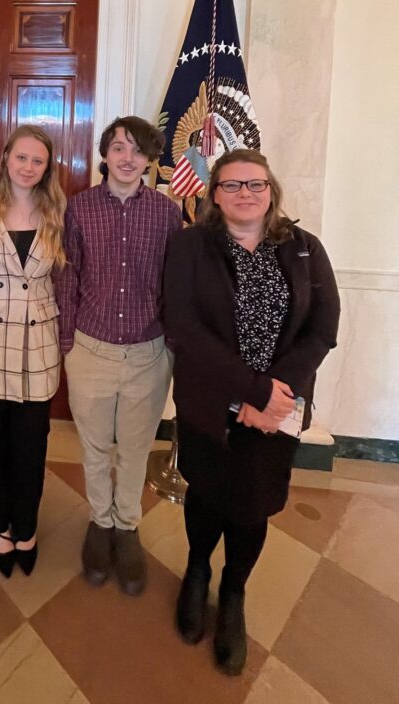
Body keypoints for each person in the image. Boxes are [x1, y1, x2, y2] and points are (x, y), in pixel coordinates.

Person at [163, 148, 340, 675]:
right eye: (233, 184)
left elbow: (322, 329)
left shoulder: (305, 249)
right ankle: (197, 572)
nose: (245, 193)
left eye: (255, 184)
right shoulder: (190, 246)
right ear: (214, 193)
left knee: (253, 504)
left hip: (279, 406)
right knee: (207, 490)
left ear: (271, 191)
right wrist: (249, 392)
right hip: (212, 401)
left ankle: (233, 594)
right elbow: (184, 327)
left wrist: (273, 395)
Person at [55, 116, 182, 595]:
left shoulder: (168, 214)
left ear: (150, 160)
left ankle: (127, 527)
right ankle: (99, 522)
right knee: (93, 448)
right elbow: (67, 277)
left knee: (134, 449)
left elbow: (174, 284)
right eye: (119, 148)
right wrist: (68, 343)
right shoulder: (79, 209)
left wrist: (169, 345)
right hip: (90, 349)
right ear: (104, 154)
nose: (128, 158)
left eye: (138, 150)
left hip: (149, 353)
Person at [0, 125, 66, 578]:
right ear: (6, 158)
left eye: (37, 161)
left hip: (38, 339)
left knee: (32, 440)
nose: (28, 167)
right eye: (21, 157)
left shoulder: (58, 209)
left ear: (47, 168)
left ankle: (26, 525)